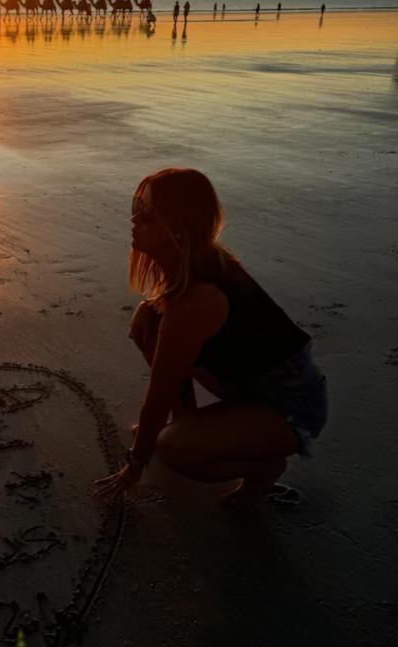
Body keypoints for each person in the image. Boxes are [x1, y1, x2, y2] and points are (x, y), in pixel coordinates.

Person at [94, 168, 328, 512]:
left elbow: (158, 393)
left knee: (175, 448)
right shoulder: (193, 268)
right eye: (134, 207)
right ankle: (187, 418)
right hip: (248, 387)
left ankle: (263, 470)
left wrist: (136, 463)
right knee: (147, 320)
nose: (133, 219)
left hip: (291, 406)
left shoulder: (196, 300)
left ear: (179, 228)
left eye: (146, 215)